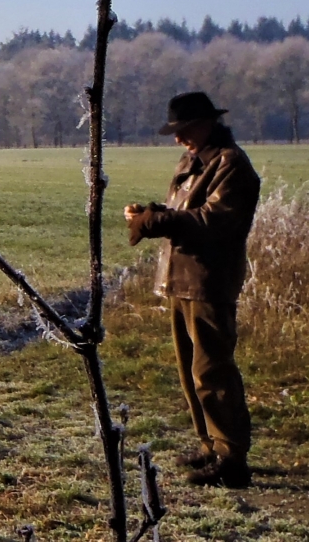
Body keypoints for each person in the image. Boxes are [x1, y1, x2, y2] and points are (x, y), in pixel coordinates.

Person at [124, 91, 260, 488]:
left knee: (212, 371)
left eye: (184, 130)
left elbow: (214, 221)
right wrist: (152, 212)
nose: (178, 139)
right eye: (175, 132)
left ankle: (232, 458)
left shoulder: (231, 164)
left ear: (208, 123)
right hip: (181, 281)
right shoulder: (194, 160)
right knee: (190, 373)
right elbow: (184, 213)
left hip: (208, 283)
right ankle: (209, 447)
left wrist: (156, 222)